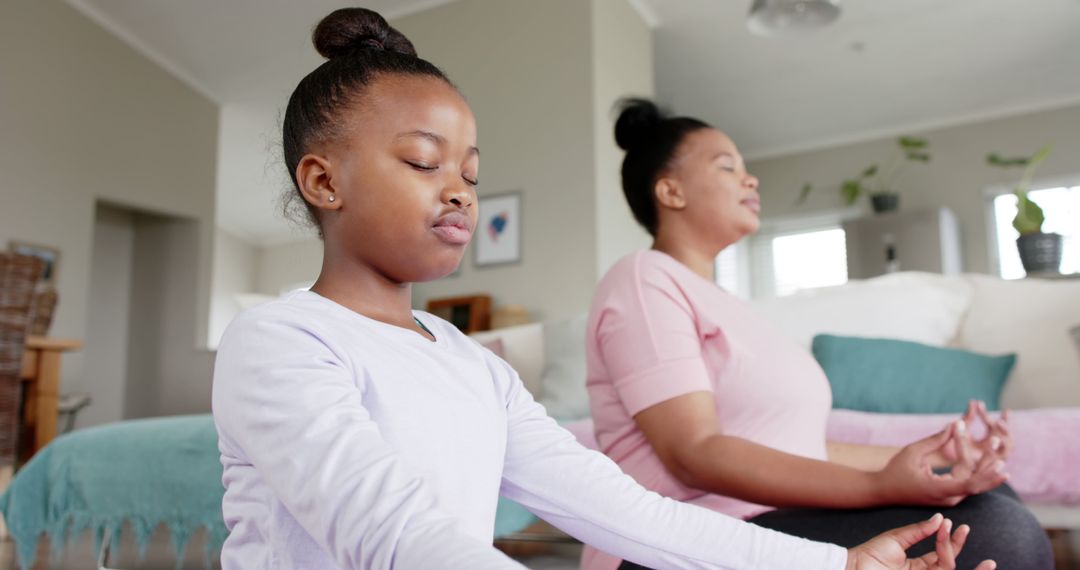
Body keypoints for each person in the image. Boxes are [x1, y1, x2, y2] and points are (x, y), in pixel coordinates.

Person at [211, 8, 994, 569]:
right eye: (424, 162)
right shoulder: (278, 342)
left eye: (471, 173)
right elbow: (394, 535)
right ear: (322, 181)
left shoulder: (471, 364)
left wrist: (837, 568)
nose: (458, 191)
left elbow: (628, 512)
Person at [582, 98, 1052, 570]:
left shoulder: (730, 306)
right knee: (1001, 535)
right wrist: (879, 487)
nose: (751, 179)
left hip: (761, 516)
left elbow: (805, 448)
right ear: (670, 192)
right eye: (727, 167)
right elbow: (694, 452)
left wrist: (944, 458)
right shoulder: (644, 278)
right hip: (674, 540)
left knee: (990, 491)